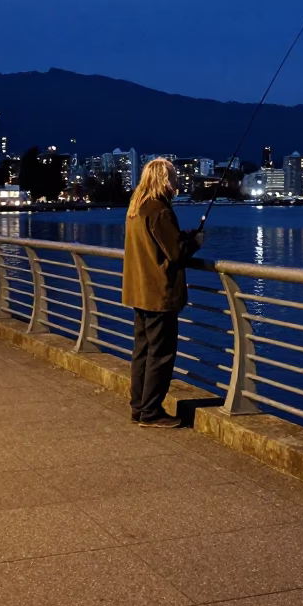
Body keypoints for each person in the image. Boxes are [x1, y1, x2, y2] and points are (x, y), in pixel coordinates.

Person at [121, 158, 203, 427]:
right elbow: (176, 253)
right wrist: (196, 243)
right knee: (161, 354)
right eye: (173, 177)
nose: (176, 181)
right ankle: (151, 412)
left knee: (142, 351)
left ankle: (139, 408)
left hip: (139, 290)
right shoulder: (160, 210)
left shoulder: (137, 207)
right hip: (159, 293)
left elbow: (158, 244)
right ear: (165, 180)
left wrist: (182, 237)